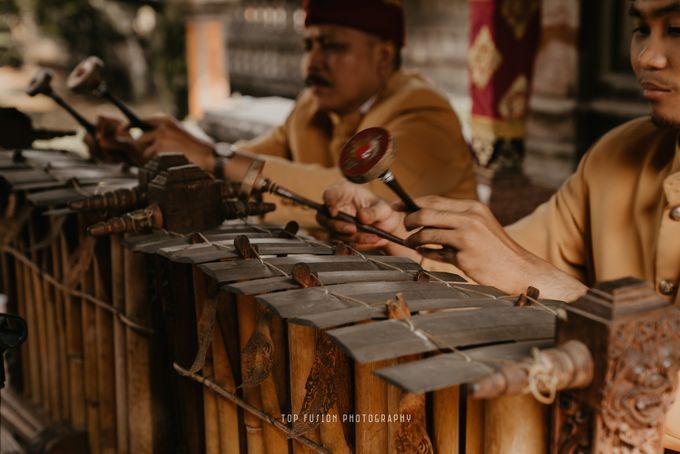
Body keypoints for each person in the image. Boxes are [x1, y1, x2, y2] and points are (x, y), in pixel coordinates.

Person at [318, 0, 680, 448]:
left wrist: (543, 281)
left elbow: (527, 274)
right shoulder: (615, 156)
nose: (647, 57)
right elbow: (490, 274)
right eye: (642, 29)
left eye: (677, 28)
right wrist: (396, 232)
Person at [92, 0, 477, 228]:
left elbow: (362, 199)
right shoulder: (312, 106)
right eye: (308, 46)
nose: (314, 61)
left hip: (436, 303)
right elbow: (248, 161)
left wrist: (216, 157)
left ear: (384, 57)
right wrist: (151, 151)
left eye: (332, 47)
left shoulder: (426, 113)